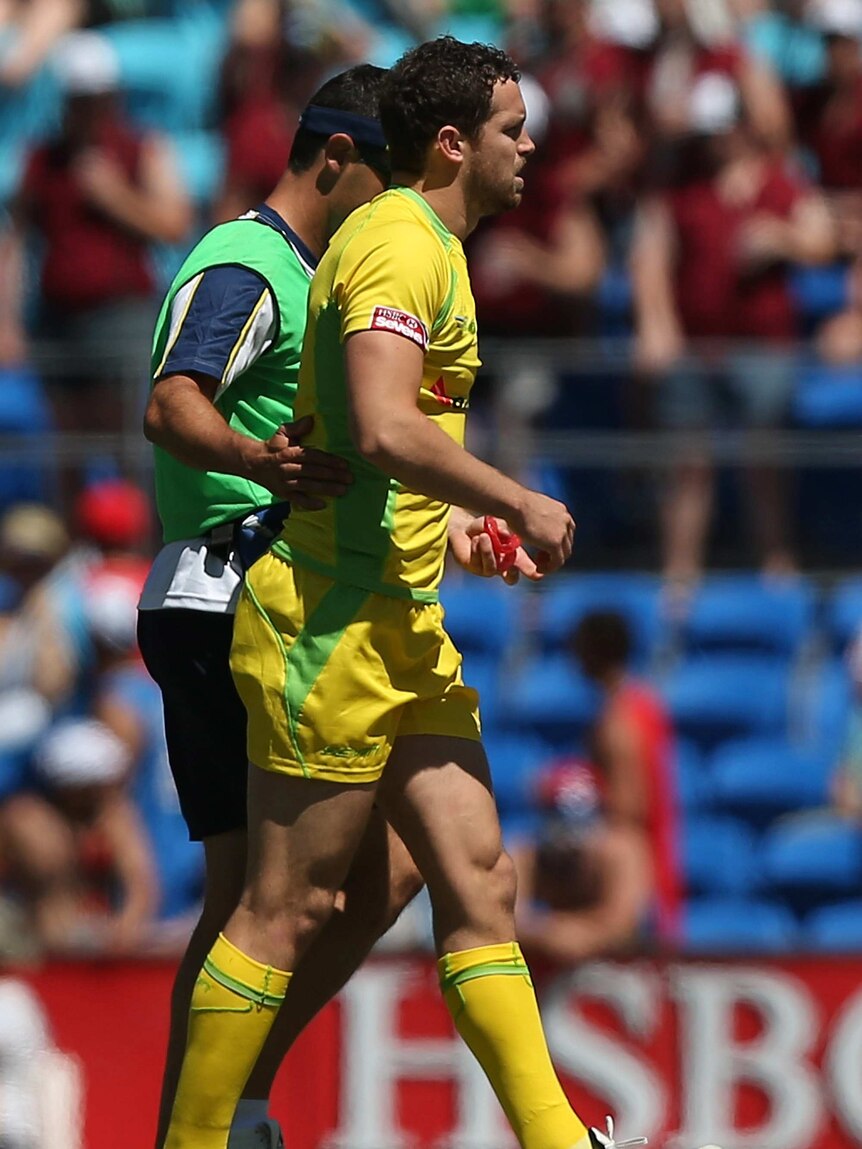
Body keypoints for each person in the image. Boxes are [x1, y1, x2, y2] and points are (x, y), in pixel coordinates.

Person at [163, 35, 644, 1149]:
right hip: (327, 625)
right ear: (451, 142)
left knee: (479, 871)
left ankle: (557, 1141)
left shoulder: (426, 242)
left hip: (399, 620)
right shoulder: (395, 244)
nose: (530, 147)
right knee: (287, 910)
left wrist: (465, 529)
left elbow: (386, 449)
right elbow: (381, 425)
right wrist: (518, 498)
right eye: (513, 129)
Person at [631, 69, 834, 588]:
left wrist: (780, 239)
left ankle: (775, 562)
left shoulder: (780, 181)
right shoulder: (683, 188)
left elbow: (821, 240)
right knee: (686, 464)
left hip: (763, 347)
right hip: (697, 348)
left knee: (764, 462)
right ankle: (681, 573)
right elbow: (652, 255)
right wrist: (657, 325)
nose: (715, 141)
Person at [570, 610, 682, 945]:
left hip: (637, 878)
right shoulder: (646, 703)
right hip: (660, 858)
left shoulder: (616, 724)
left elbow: (628, 809)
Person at [513, 758, 654, 966]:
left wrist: (561, 933)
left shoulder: (622, 850)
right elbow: (502, 921)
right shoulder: (527, 852)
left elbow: (623, 926)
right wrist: (555, 935)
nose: (569, 835)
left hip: (618, 967)